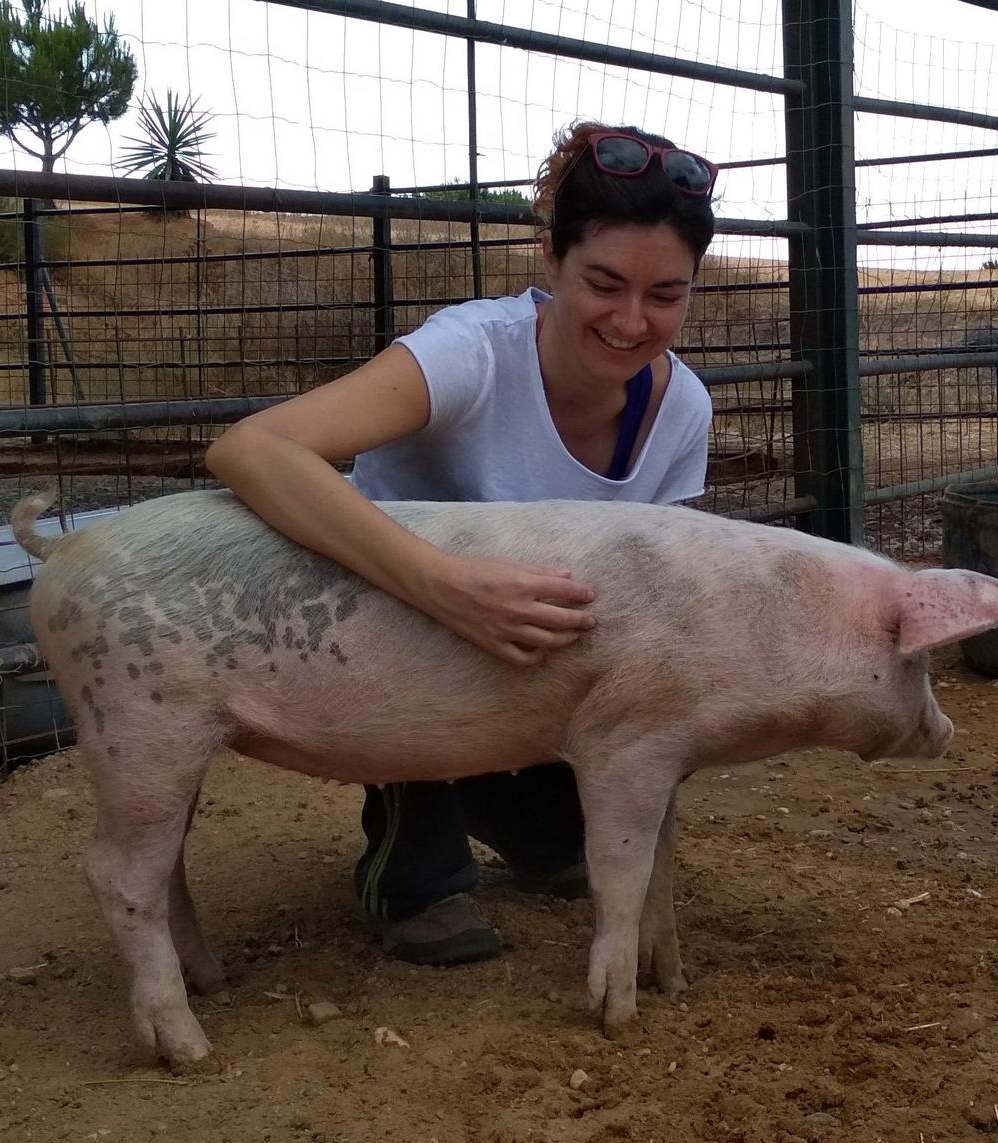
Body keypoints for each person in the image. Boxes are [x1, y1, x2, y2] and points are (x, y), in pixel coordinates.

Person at [205, 122, 719, 964]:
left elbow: (660, 587)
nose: (631, 322)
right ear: (550, 256)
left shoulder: (683, 408)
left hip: (536, 656)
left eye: (665, 295)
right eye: (604, 283)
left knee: (571, 847)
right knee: (430, 840)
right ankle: (414, 863)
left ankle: (497, 795)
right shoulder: (471, 354)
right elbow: (250, 450)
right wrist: (442, 585)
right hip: (398, 634)